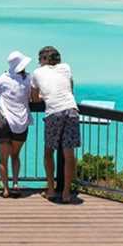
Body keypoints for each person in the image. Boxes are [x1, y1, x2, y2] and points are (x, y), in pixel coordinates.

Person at [31, 46, 80, 203]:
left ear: (45, 59)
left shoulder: (37, 73)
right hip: (71, 109)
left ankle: (51, 190)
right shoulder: (66, 68)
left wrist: (43, 96)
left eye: (40, 59)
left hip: (54, 112)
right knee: (69, 154)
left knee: (48, 152)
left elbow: (35, 99)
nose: (39, 62)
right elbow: (70, 89)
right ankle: (66, 192)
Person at [0, 50, 33, 198]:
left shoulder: (2, 78)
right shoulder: (28, 79)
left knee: (2, 158)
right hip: (21, 121)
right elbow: (32, 96)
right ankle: (16, 184)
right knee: (15, 155)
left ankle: (5, 189)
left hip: (3, 119)